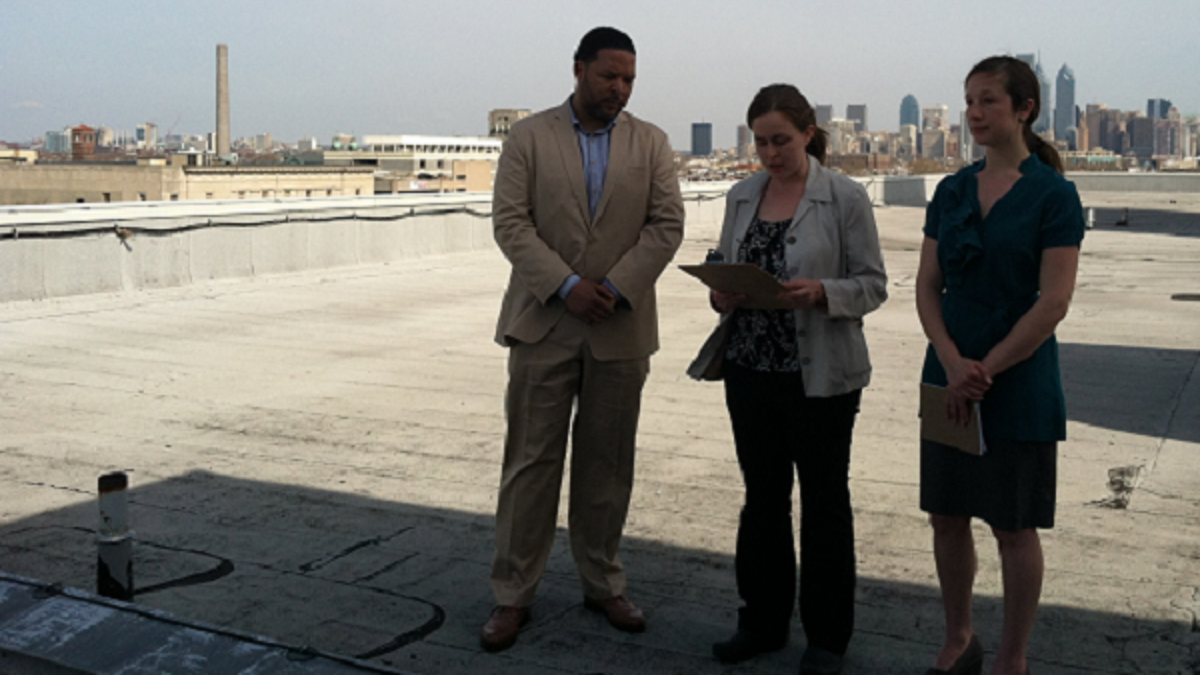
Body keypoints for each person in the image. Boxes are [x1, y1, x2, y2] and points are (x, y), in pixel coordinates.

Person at [481, 26, 685, 652]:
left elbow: (667, 224)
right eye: (608, 77)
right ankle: (513, 596)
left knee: (607, 465)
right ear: (579, 70)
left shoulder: (651, 143)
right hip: (544, 322)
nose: (619, 89)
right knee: (531, 463)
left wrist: (616, 287)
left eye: (628, 79)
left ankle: (603, 582)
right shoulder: (529, 138)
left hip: (619, 328)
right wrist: (566, 284)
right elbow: (510, 223)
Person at [688, 83, 887, 675]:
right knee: (763, 500)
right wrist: (722, 293)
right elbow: (730, 264)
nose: (771, 153)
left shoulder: (844, 197)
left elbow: (873, 284)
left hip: (821, 376)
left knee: (825, 502)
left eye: (781, 140)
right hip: (750, 369)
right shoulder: (742, 194)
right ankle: (762, 622)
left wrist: (824, 292)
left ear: (807, 133)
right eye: (761, 142)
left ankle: (827, 637)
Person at [916, 56, 1085, 675]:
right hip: (949, 372)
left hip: (1019, 380)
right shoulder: (951, 191)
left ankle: (1012, 656)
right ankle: (959, 636)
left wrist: (985, 368)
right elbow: (927, 288)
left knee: (1014, 525)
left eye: (988, 101)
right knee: (946, 514)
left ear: (1024, 109)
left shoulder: (1054, 195)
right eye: (969, 101)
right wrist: (954, 362)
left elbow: (1055, 300)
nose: (974, 113)